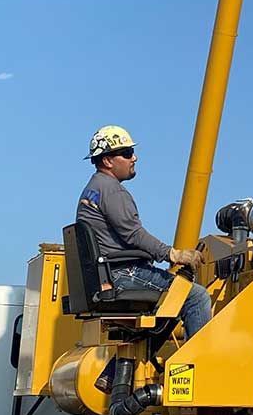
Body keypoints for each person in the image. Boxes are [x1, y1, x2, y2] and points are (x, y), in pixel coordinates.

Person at [77, 125, 213, 338]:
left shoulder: (93, 189)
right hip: (122, 273)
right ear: (107, 161)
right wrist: (174, 254)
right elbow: (134, 234)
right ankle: (199, 366)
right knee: (196, 297)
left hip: (108, 273)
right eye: (127, 153)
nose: (134, 158)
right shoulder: (112, 191)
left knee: (168, 307)